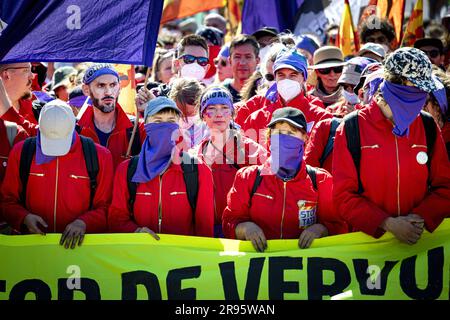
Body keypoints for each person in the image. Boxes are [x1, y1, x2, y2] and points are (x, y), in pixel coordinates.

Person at [333, 47, 450, 244]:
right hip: (367, 247)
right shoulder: (352, 127)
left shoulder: (427, 126)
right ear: (397, 84)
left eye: (424, 89)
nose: (422, 96)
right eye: (417, 87)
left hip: (418, 245)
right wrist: (386, 223)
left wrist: (418, 219)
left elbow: (445, 187)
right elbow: (343, 197)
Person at [223, 107, 347, 251]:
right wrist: (245, 228)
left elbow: (338, 226)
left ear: (305, 138)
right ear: (269, 139)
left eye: (290, 133)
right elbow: (229, 223)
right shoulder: (248, 178)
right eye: (279, 133)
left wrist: (321, 229)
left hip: (305, 268)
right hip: (258, 267)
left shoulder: (320, 180)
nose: (284, 139)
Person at [1, 100, 113, 248]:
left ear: (74, 126)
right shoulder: (21, 152)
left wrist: (84, 222)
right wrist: (24, 218)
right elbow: (6, 201)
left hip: (82, 250)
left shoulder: (100, 156)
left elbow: (108, 207)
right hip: (32, 248)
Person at [108, 97, 214, 237]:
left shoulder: (198, 170)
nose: (165, 127)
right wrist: (136, 231)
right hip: (140, 256)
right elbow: (116, 220)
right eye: (157, 121)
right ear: (146, 125)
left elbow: (205, 231)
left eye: (171, 121)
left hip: (183, 257)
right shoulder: (127, 170)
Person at [195, 86, 267, 237]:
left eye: (224, 108)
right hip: (205, 235)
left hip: (242, 233)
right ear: (203, 115)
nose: (219, 114)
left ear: (232, 114)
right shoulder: (195, 154)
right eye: (212, 108)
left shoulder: (252, 151)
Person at [239, 49, 332, 146]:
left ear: (304, 78)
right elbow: (248, 156)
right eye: (281, 75)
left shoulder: (321, 118)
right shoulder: (257, 118)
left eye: (293, 75)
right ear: (275, 78)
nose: (287, 80)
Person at [77, 63, 146, 169]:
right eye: (101, 86)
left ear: (120, 88)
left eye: (113, 85)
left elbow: (164, 154)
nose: (108, 92)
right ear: (86, 89)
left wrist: (152, 112)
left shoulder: (137, 128)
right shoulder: (75, 130)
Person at [168, 77, 209, 148]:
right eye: (179, 113)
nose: (184, 118)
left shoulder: (208, 127)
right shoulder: (169, 126)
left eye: (189, 114)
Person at [0, 63, 38, 136]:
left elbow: (43, 139)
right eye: (26, 70)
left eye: (31, 69)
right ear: (6, 75)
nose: (32, 76)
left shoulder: (38, 110)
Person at [223, 35, 260, 103]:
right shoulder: (220, 93)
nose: (242, 63)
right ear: (230, 61)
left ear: (257, 61)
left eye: (248, 57)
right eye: (237, 57)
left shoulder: (264, 93)